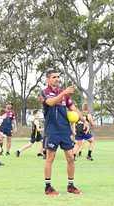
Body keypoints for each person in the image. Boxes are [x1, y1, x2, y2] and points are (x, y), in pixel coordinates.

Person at [40, 68, 89, 196]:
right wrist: (64, 93)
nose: (57, 79)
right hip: (52, 131)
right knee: (50, 158)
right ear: (48, 79)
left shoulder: (64, 95)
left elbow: (74, 108)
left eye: (58, 77)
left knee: (71, 158)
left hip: (65, 130)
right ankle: (48, 187)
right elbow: (51, 102)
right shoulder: (44, 92)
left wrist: (84, 121)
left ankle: (70, 186)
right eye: (53, 77)